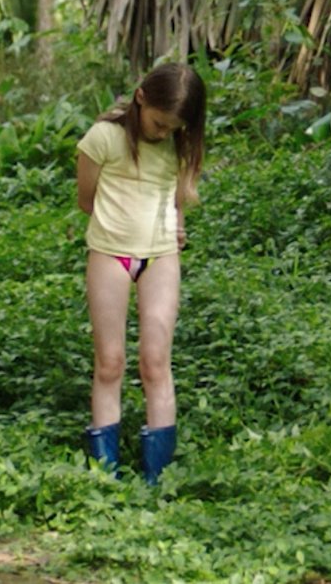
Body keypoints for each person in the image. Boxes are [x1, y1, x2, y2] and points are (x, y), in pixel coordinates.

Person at [75, 63, 205, 485]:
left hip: (161, 257)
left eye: (172, 128)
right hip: (110, 254)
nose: (162, 133)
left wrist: (177, 222)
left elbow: (177, 199)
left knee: (155, 362)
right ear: (140, 97)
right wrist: (119, 227)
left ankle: (157, 480)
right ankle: (103, 476)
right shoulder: (103, 139)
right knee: (110, 363)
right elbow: (85, 199)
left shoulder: (177, 146)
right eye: (158, 123)